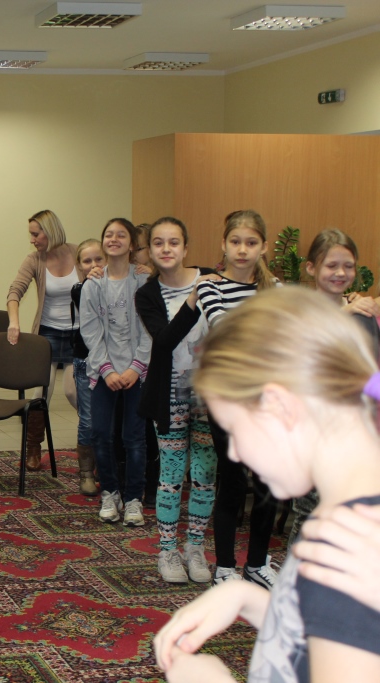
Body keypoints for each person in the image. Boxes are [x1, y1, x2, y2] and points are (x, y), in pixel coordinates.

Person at [153, 286, 380, 683]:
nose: (235, 452)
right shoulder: (352, 514)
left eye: (233, 429)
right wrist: (249, 599)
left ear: (278, 406)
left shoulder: (348, 552)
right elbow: (320, 639)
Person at [196, 209, 279, 587]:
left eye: (251, 243)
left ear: (263, 247)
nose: (242, 250)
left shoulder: (275, 290)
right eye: (235, 242)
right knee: (232, 483)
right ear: (224, 245)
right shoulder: (210, 287)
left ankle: (257, 564)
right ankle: (225, 568)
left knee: (267, 485)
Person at [135, 217, 219, 584]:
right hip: (169, 395)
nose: (166, 249)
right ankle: (167, 551)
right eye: (158, 243)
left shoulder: (212, 279)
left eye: (174, 242)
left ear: (185, 248)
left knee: (204, 474)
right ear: (150, 250)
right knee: (170, 476)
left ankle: (195, 547)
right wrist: (194, 298)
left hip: (209, 393)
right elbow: (166, 340)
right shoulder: (148, 294)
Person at [285, 230, 380, 542]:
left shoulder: (363, 314)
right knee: (312, 520)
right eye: (332, 265)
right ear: (312, 267)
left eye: (348, 266)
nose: (341, 273)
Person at [79, 217, 150, 526]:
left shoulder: (144, 281)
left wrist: (136, 367)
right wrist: (106, 370)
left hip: (137, 373)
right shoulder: (93, 284)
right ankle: (110, 492)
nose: (114, 239)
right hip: (103, 372)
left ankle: (134, 498)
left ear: (132, 243)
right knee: (100, 434)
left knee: (134, 437)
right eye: (109, 234)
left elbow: (150, 329)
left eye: (122, 235)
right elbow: (90, 331)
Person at [7, 210, 79, 471]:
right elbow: (15, 291)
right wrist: (14, 322)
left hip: (78, 335)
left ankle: (91, 443)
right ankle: (34, 448)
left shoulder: (78, 253)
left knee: (73, 392)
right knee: (40, 394)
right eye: (31, 234)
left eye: (36, 234)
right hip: (47, 333)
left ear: (50, 231)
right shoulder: (34, 260)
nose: (32, 239)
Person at [70, 238, 104, 495]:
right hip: (86, 360)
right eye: (87, 261)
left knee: (110, 421)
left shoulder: (122, 284)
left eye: (99, 259)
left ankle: (106, 466)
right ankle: (86, 472)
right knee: (89, 420)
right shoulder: (79, 289)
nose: (93, 265)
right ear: (79, 266)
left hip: (116, 361)